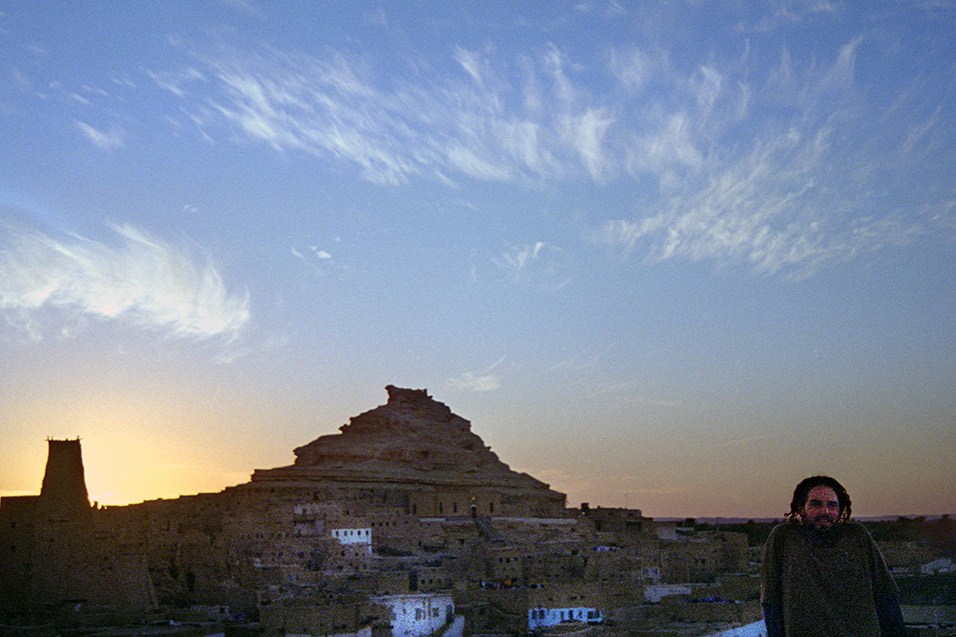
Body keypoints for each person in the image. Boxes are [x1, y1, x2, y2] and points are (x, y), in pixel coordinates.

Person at [760, 475, 906, 636]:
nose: (825, 511)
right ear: (801, 508)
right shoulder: (784, 537)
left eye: (832, 505)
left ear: (840, 509)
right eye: (816, 504)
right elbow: (771, 599)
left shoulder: (857, 536)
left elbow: (885, 595)